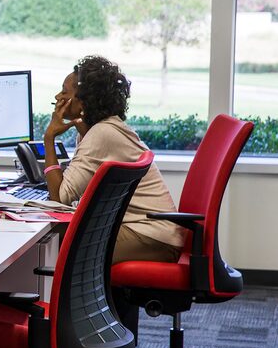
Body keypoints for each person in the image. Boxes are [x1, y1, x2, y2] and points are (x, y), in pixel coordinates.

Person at [42, 55, 184, 264]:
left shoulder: (102, 134)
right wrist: (82, 131)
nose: (57, 96)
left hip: (152, 238)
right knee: (58, 237)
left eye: (64, 91)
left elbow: (59, 199)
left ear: (83, 100)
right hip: (150, 232)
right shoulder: (105, 129)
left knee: (57, 245)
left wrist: (49, 139)